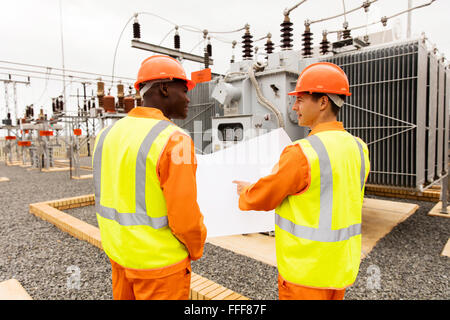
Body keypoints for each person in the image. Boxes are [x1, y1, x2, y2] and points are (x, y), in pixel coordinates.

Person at [233, 62, 370, 300]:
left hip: (306, 274)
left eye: (301, 99)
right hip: (339, 269)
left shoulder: (302, 153)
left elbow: (265, 195)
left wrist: (246, 192)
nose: (294, 107)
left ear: (323, 102)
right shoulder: (359, 147)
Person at [93, 55, 207, 300]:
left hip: (120, 257)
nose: (188, 98)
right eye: (184, 90)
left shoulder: (105, 135)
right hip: (159, 268)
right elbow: (184, 217)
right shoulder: (175, 140)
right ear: (164, 88)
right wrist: (197, 247)